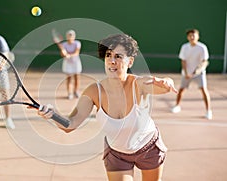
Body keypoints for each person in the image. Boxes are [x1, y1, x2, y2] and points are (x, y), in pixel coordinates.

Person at [36, 34, 178, 181]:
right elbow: (70, 124)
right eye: (108, 55)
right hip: (117, 154)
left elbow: (163, 87)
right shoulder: (94, 91)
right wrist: (52, 115)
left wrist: (167, 82)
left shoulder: (138, 84)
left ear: (130, 62)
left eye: (118, 56)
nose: (112, 61)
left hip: (148, 148)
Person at [171, 29, 212, 120]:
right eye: (190, 36)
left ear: (198, 37)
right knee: (181, 90)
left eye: (194, 35)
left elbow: (204, 62)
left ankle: (208, 111)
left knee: (204, 90)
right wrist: (186, 73)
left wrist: (196, 71)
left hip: (199, 73)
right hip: (186, 73)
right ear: (187, 37)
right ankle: (177, 106)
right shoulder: (184, 47)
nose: (192, 37)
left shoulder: (202, 48)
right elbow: (183, 61)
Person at [58, 30, 82, 99]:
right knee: (69, 79)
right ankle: (69, 93)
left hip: (76, 63)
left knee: (77, 78)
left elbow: (77, 52)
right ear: (67, 37)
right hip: (67, 64)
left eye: (72, 36)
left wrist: (69, 55)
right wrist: (64, 54)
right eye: (69, 36)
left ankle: (76, 92)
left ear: (74, 37)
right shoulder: (64, 45)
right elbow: (62, 55)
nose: (70, 37)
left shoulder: (77, 43)